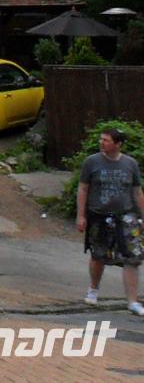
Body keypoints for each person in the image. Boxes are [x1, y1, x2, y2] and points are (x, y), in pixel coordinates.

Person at [77, 127, 144, 317]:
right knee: (98, 255)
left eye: (106, 140)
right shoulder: (92, 162)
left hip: (126, 216)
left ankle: (132, 302)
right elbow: (83, 189)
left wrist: (142, 216)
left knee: (132, 257)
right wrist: (81, 216)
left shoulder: (130, 164)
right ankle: (93, 289)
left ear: (118, 144)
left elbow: (137, 192)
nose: (101, 143)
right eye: (101, 139)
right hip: (99, 215)